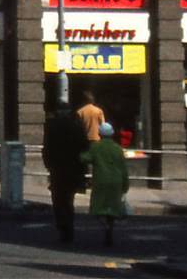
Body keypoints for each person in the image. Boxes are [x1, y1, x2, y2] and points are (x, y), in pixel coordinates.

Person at [42, 103, 87, 242]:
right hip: (73, 168)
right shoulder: (77, 126)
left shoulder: (52, 127)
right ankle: (68, 225)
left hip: (57, 168)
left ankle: (62, 224)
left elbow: (46, 148)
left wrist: (48, 164)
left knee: (58, 198)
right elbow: (84, 147)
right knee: (69, 199)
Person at [82, 120, 129, 247]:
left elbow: (85, 158)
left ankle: (105, 225)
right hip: (116, 181)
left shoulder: (96, 147)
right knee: (112, 209)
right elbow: (124, 169)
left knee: (99, 207)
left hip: (101, 181)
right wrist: (125, 185)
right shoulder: (118, 149)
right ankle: (110, 226)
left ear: (100, 134)